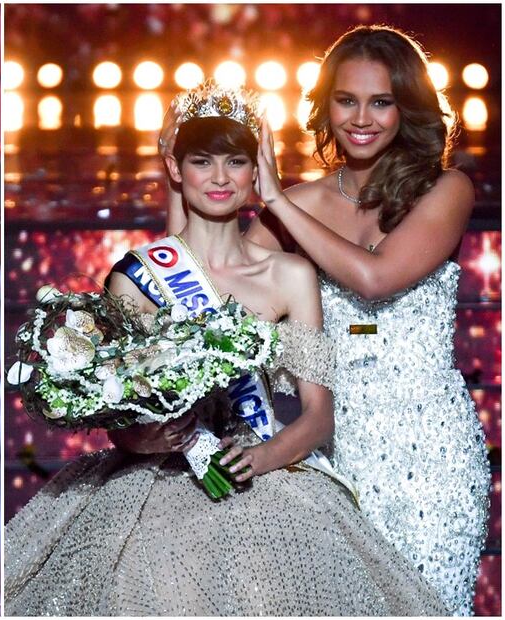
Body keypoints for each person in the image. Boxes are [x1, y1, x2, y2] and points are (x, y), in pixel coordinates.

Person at [4, 83, 446, 616]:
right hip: (159, 480)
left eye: (236, 162)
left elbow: (318, 418)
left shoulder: (290, 276)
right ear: (176, 169)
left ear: (256, 170)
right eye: (201, 162)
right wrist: (144, 438)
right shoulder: (137, 278)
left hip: (264, 474)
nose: (219, 178)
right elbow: (118, 417)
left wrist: (258, 459)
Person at [235, 25, 488, 615]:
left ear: (408, 108)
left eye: (381, 101)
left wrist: (275, 203)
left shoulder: (447, 189)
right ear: (325, 105)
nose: (362, 118)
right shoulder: (299, 203)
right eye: (347, 100)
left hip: (432, 457)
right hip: (330, 453)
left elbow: (376, 277)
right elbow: (231, 311)